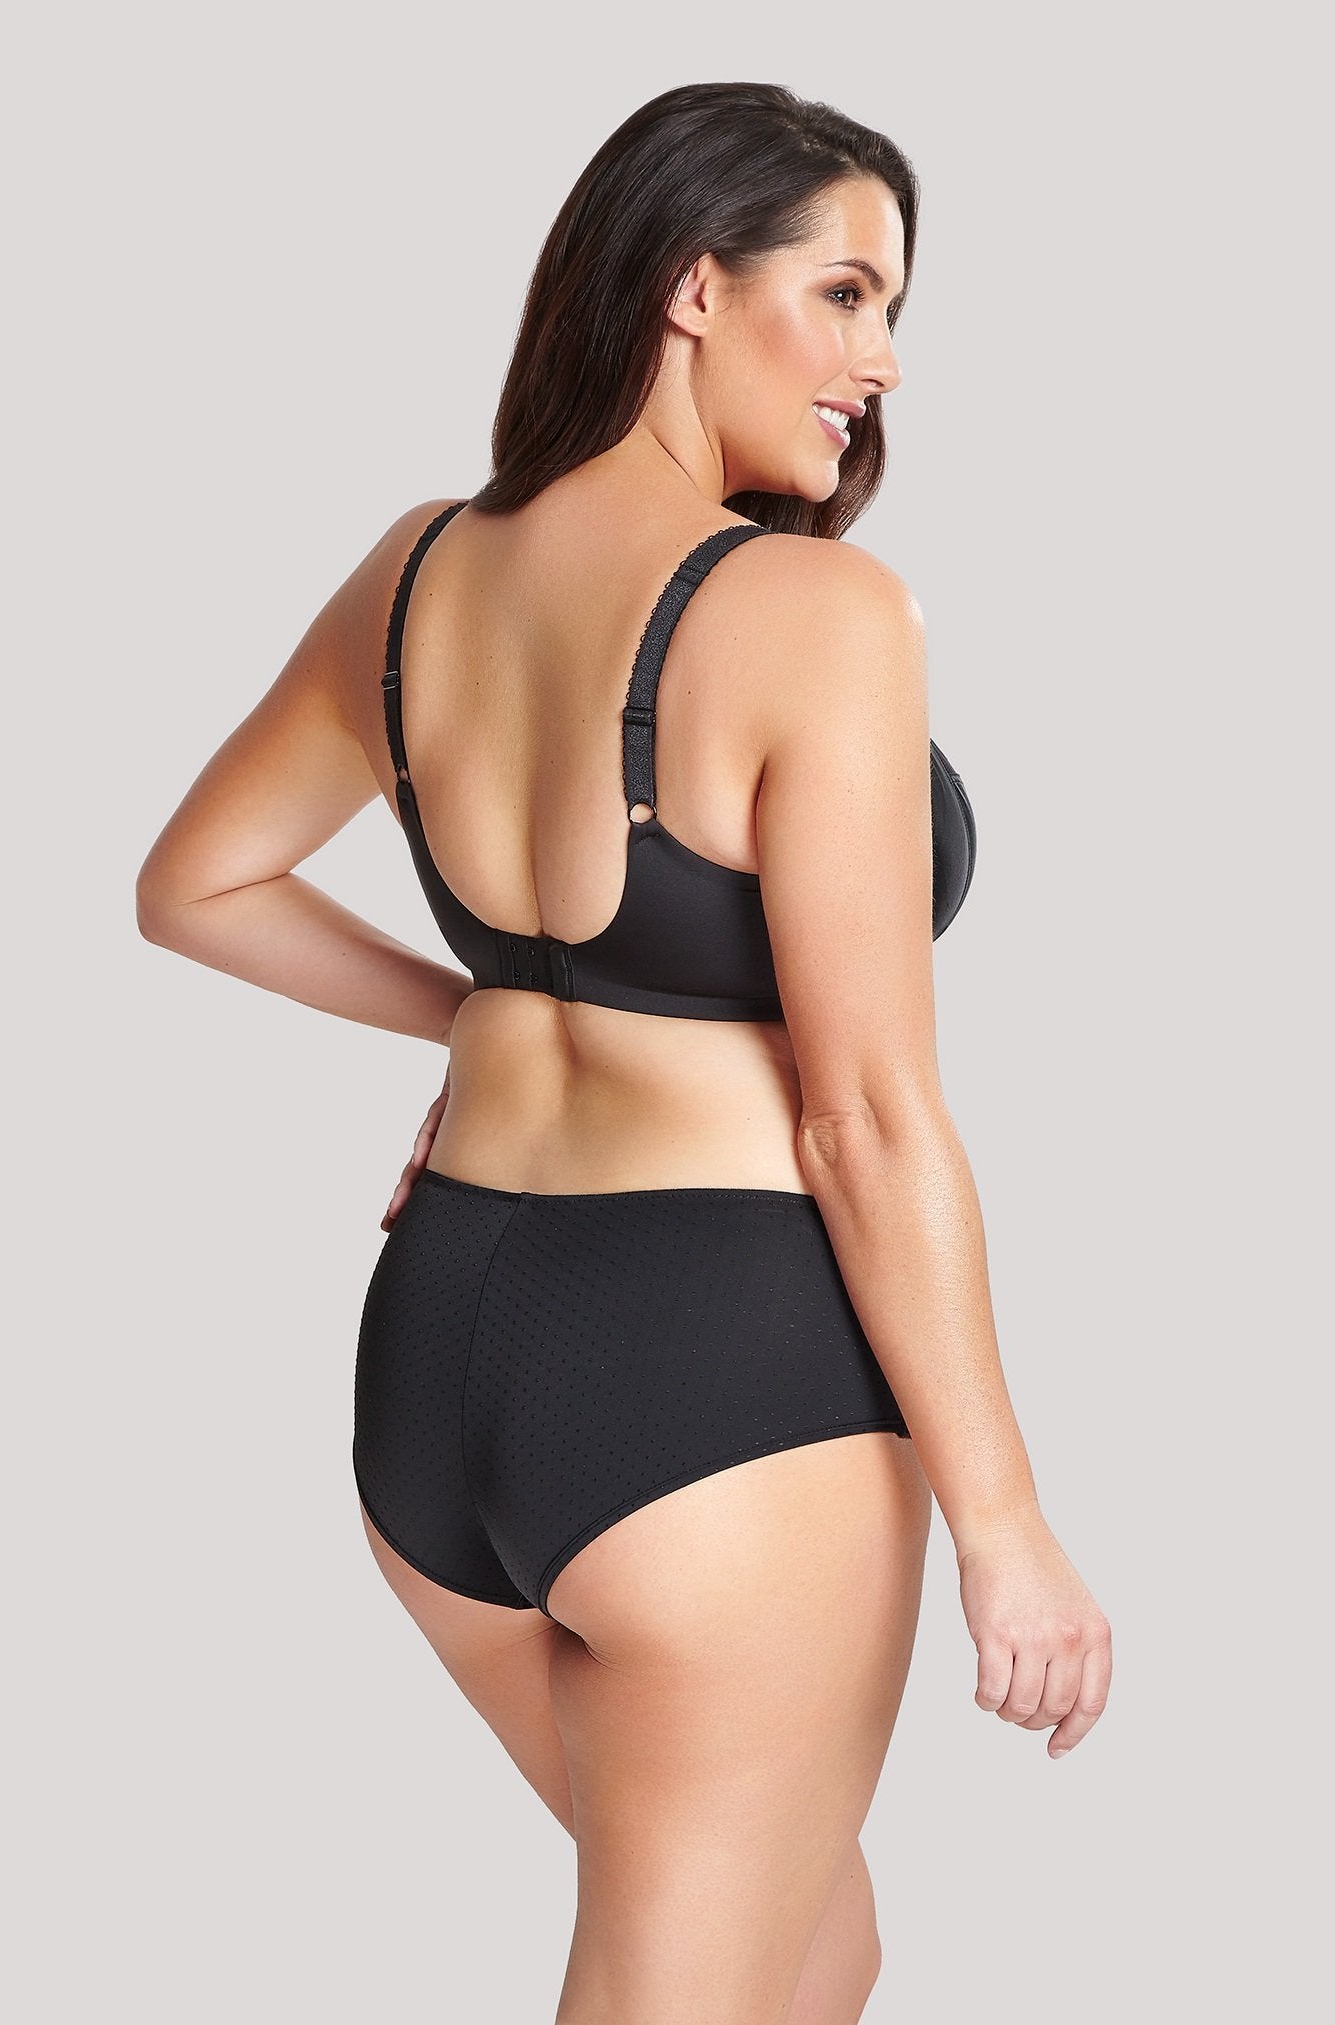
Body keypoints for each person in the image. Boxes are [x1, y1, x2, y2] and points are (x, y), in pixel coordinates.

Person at [136, 80, 1111, 2025]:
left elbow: (196, 885)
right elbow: (867, 1119)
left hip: (439, 1372)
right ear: (692, 285)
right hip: (714, 1392)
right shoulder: (816, 610)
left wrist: (494, 1011)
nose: (882, 361)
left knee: (814, 1949)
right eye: (844, 293)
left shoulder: (418, 569)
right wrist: (1005, 1526)